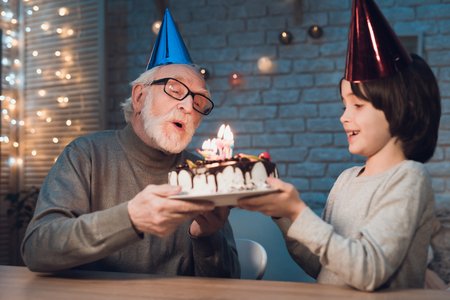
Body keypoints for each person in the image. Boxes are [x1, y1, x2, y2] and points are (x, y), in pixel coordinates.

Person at [238, 0, 440, 291]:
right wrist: (282, 213)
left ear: (401, 108)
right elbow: (323, 264)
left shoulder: (409, 178)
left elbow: (368, 272)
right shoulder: (345, 181)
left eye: (357, 104)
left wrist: (298, 212)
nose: (344, 117)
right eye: (344, 104)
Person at [21, 9, 240, 278]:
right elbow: (38, 248)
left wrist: (206, 237)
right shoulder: (86, 155)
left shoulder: (204, 172)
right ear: (139, 98)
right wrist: (129, 218)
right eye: (175, 89)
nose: (187, 106)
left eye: (198, 101)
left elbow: (229, 282)